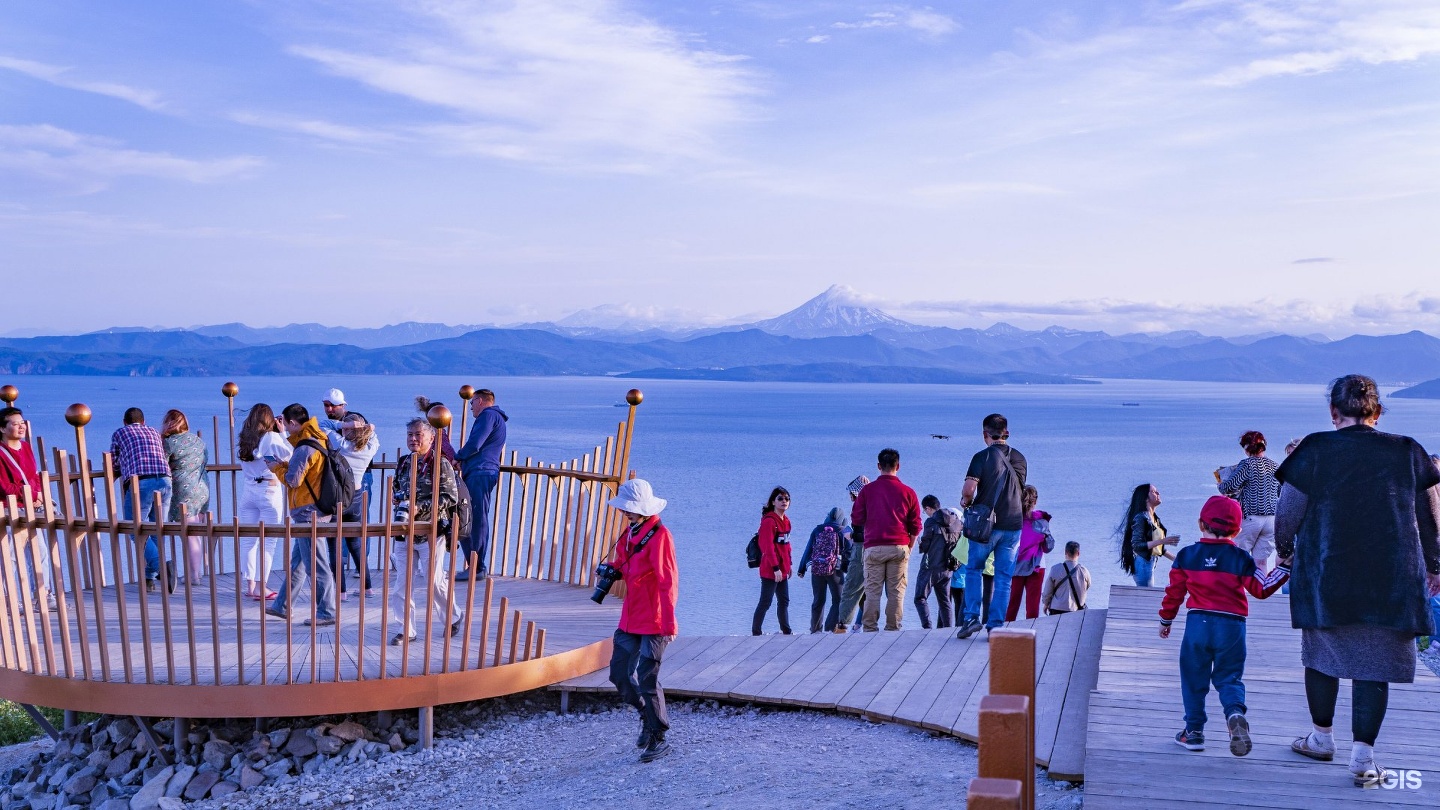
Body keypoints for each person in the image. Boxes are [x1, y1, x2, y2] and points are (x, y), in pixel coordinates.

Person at [1276, 374, 1440, 787]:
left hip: (1327, 574)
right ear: (1378, 412)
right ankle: (1363, 758)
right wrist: (1435, 566)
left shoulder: (1314, 448)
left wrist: (1284, 550)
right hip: (1392, 579)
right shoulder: (1408, 451)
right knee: (1375, 665)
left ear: (1334, 412)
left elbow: (1287, 513)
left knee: (1322, 655)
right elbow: (1431, 516)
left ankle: (1320, 739)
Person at [1160, 496, 1289, 757]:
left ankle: (1193, 732)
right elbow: (1261, 589)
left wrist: (1166, 619)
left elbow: (1174, 593)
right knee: (1229, 677)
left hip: (1197, 624)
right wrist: (1285, 569)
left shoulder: (1186, 555)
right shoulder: (1241, 558)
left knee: (1193, 678)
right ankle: (1234, 714)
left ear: (1200, 524)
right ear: (1237, 530)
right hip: (1231, 626)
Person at [604, 478, 678, 764]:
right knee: (618, 674)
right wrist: (610, 570)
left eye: (629, 509)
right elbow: (624, 565)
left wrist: (670, 624)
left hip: (656, 618)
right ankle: (646, 715)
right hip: (631, 615)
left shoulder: (661, 536)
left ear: (643, 510)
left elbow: (668, 581)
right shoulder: (630, 532)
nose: (624, 512)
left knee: (648, 679)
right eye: (624, 509)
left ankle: (658, 736)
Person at [388, 418, 463, 645]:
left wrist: (421, 507)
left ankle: (453, 617)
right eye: (410, 434)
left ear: (431, 438)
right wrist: (399, 499)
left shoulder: (441, 464)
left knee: (434, 581)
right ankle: (406, 630)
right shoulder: (403, 462)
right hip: (404, 530)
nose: (413, 438)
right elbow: (397, 489)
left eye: (418, 435)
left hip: (432, 531)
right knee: (402, 584)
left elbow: (451, 497)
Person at [956, 414, 1028, 640]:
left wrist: (966, 503)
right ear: (1007, 432)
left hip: (985, 526)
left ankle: (971, 618)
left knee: (974, 569)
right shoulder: (1020, 458)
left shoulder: (981, 457)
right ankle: (995, 626)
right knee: (1004, 577)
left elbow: (969, 490)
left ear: (985, 434)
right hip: (1014, 524)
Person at [266, 404, 337, 627]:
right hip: (316, 509)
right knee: (298, 562)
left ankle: (327, 611)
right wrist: (286, 464)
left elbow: (293, 480)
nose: (285, 428)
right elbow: (306, 472)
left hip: (308, 513)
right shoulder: (319, 438)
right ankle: (282, 605)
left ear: (293, 423)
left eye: (286, 424)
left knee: (316, 564)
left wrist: (276, 467)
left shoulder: (305, 447)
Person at [851, 448, 922, 632]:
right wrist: (910, 546)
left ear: (878, 466)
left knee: (872, 592)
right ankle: (893, 629)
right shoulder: (908, 492)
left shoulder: (867, 491)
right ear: (898, 466)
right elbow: (916, 525)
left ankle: (869, 629)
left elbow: (856, 519)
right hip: (899, 546)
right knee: (896, 593)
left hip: (874, 546)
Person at [109, 407, 172, 593]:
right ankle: (149, 578)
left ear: (124, 422)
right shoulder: (153, 431)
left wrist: (125, 464)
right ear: (143, 421)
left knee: (134, 529)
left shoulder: (120, 433)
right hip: (165, 479)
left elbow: (113, 462)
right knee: (156, 530)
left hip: (141, 482)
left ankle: (161, 567)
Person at [0, 406, 54, 610]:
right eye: (15, 423)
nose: (21, 426)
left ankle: (43, 594)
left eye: (22, 422)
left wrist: (38, 495)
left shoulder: (26, 447)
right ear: (2, 429)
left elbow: (34, 476)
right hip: (8, 511)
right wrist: (33, 494)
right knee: (11, 555)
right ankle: (10, 599)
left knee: (40, 552)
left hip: (31, 508)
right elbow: (4, 486)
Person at [236, 403, 290, 600]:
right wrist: (283, 433)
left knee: (249, 540)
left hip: (248, 491)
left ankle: (250, 585)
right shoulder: (272, 437)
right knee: (269, 542)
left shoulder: (245, 441)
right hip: (269, 489)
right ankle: (261, 587)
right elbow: (290, 455)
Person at [455, 388, 508, 580]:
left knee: (475, 518)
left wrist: (457, 457)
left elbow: (475, 443)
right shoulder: (496, 418)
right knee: (472, 516)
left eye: (471, 404)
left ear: (479, 400)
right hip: (482, 471)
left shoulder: (488, 416)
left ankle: (477, 566)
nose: (470, 409)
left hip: (480, 471)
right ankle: (476, 565)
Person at [326, 413, 379, 601]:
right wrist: (367, 427)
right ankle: (367, 588)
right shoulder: (370, 447)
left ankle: (340, 592)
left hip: (338, 498)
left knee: (334, 544)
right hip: (356, 497)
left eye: (347, 428)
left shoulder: (340, 445)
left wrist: (341, 423)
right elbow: (373, 434)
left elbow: (322, 424)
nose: (343, 430)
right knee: (355, 542)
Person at [1217, 430, 1280, 572]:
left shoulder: (1247, 465)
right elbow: (1279, 492)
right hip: (1271, 519)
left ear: (1246, 448)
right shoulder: (1275, 466)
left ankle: (1238, 592)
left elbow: (1229, 487)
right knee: (1261, 562)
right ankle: (1260, 592)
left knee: (1239, 558)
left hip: (1251, 518)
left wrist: (1220, 484)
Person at [160, 409, 210, 586]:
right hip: (201, 488)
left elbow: (162, 467)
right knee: (194, 533)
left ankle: (193, 575)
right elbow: (204, 470)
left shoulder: (168, 443)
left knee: (188, 535)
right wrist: (205, 505)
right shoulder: (199, 442)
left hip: (183, 490)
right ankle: (195, 572)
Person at [797, 506, 849, 633]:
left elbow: (808, 549)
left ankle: (815, 629)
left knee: (818, 600)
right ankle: (830, 628)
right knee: (838, 600)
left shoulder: (817, 529)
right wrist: (846, 567)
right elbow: (849, 550)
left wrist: (802, 568)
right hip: (835, 570)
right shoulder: (844, 530)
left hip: (817, 569)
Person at [1006, 486, 1053, 622]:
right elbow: (1048, 547)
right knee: (1032, 607)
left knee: (1012, 604)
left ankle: (1005, 633)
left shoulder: (1012, 520)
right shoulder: (1041, 521)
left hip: (1016, 565)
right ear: (1035, 502)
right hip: (1036, 566)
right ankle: (1030, 635)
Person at [1118, 484, 1179, 587]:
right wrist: (1162, 541)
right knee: (1147, 598)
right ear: (1146, 498)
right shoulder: (1141, 517)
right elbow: (1137, 545)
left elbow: (1158, 548)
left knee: (1148, 597)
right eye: (1154, 492)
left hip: (1149, 564)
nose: (1158, 493)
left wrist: (1177, 559)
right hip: (1143, 565)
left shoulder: (1154, 518)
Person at [752, 486, 793, 635]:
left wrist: (790, 565)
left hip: (783, 569)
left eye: (787, 499)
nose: (784, 501)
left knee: (784, 601)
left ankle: (786, 630)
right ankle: (756, 632)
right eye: (780, 499)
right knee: (766, 601)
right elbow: (767, 547)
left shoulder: (786, 521)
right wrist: (775, 568)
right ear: (773, 502)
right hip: (771, 569)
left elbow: (787, 546)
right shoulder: (769, 521)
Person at [915, 495, 959, 629]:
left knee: (920, 598)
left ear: (928, 508)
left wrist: (919, 543)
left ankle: (927, 628)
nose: (925, 513)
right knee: (945, 601)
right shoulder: (956, 521)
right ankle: (947, 630)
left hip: (930, 566)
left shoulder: (930, 522)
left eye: (925, 510)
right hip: (948, 567)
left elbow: (926, 546)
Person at [833, 475, 870, 633]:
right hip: (875, 549)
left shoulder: (859, 506)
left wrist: (851, 536)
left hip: (860, 549)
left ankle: (842, 625)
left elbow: (862, 532)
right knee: (870, 590)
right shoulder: (874, 504)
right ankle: (864, 625)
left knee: (851, 587)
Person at [1042, 541, 1090, 615]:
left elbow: (1047, 591)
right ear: (1078, 553)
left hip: (1057, 609)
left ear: (1065, 552)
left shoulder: (1055, 569)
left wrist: (1046, 604)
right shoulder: (1084, 571)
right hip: (1076, 610)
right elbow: (1087, 587)